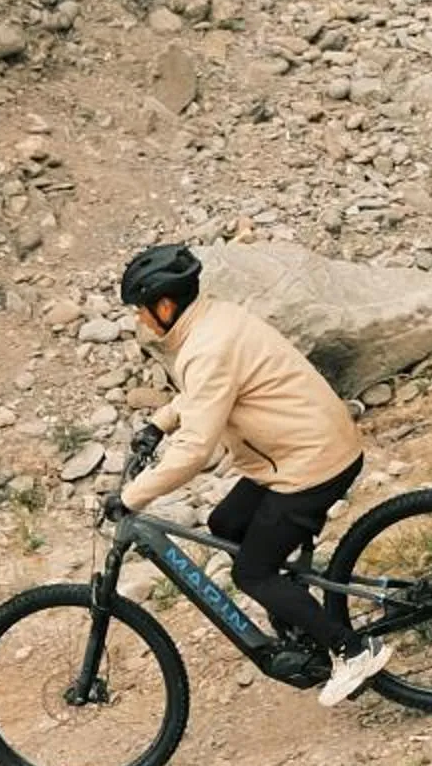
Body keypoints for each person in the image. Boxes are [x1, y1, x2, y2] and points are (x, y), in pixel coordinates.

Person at [105, 242, 391, 706]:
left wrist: (133, 496)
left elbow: (197, 448)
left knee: (252, 573)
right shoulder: (212, 322)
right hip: (299, 452)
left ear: (164, 305)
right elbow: (205, 395)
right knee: (226, 524)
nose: (139, 320)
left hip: (311, 464)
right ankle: (297, 612)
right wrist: (159, 425)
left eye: (141, 310)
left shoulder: (206, 348)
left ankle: (352, 649)